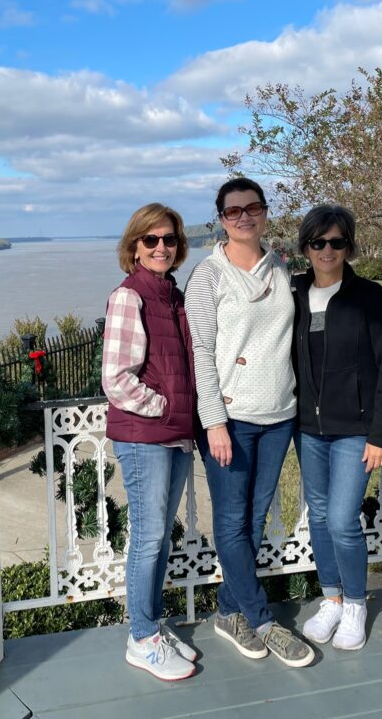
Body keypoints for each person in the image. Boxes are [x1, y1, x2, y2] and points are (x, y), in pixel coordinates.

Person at [185, 177, 315, 667]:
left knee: (253, 520)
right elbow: (199, 350)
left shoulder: (279, 267)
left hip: (278, 415)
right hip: (230, 421)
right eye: (233, 210)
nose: (244, 217)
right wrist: (213, 422)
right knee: (232, 523)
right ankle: (261, 620)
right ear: (221, 218)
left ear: (264, 212)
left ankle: (226, 611)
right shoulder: (209, 275)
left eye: (252, 208)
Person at [291, 205, 382, 651]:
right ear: (305, 247)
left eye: (336, 242)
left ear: (348, 246)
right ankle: (332, 598)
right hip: (308, 429)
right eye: (318, 242)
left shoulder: (368, 297)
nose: (327, 250)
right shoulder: (295, 292)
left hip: (355, 430)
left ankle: (356, 604)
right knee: (318, 516)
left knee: (341, 519)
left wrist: (381, 435)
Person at [102, 202, 198, 681]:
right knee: (149, 535)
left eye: (170, 240)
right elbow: (116, 378)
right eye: (151, 240)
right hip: (147, 436)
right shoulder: (130, 296)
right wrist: (163, 407)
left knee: (159, 537)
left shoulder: (170, 295)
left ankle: (152, 625)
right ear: (135, 246)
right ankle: (141, 637)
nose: (162, 247)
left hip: (175, 435)